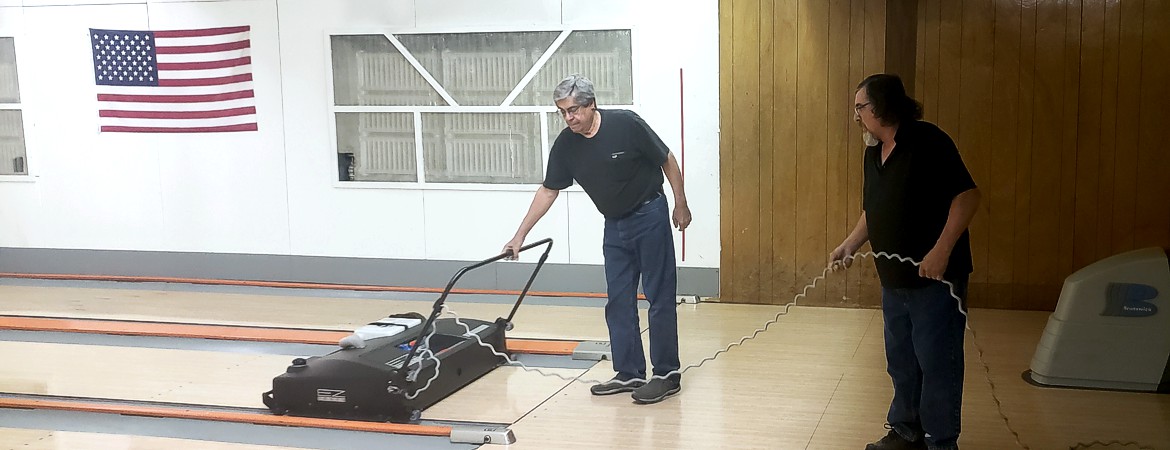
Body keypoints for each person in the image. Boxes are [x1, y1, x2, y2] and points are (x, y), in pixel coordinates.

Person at [503, 74, 691, 404]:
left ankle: (666, 374)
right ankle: (630, 372)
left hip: (649, 214)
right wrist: (518, 236)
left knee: (659, 296)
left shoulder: (626, 124)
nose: (569, 117)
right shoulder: (566, 145)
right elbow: (548, 191)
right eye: (562, 112)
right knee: (618, 300)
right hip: (615, 226)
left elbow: (666, 159)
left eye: (574, 110)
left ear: (592, 105)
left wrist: (680, 203)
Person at [829, 74, 981, 450]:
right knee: (901, 361)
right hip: (894, 281)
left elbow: (967, 196)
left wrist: (941, 250)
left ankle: (940, 441)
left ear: (882, 107)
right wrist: (850, 244)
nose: (856, 117)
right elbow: (874, 209)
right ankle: (906, 431)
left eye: (860, 108)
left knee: (937, 362)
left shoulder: (928, 141)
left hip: (936, 281)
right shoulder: (873, 153)